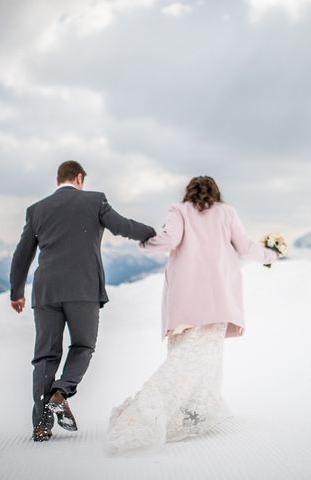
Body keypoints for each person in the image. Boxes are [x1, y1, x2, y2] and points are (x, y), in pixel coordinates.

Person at [106, 175, 283, 453]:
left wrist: (144, 244)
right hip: (218, 301)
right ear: (217, 193)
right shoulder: (227, 213)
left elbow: (169, 239)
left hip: (185, 302)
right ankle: (192, 415)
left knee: (180, 357)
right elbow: (247, 248)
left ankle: (176, 414)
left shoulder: (179, 211)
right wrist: (272, 255)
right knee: (207, 361)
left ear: (188, 193)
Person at [9, 160, 156, 442]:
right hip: (83, 290)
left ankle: (41, 424)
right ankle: (61, 392)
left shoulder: (37, 209)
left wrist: (16, 292)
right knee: (83, 345)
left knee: (45, 355)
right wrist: (150, 233)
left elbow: (22, 254)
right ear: (79, 178)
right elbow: (122, 226)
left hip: (47, 292)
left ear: (57, 179)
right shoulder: (94, 201)